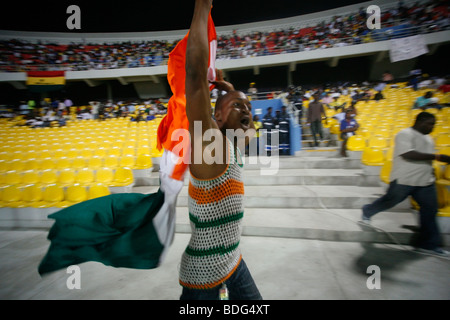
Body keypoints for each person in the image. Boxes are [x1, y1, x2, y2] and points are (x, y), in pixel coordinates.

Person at [180, 0, 261, 300]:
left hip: (232, 259)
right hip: (205, 273)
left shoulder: (235, 144)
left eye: (249, 106)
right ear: (216, 120)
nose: (247, 111)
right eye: (239, 107)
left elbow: (246, 128)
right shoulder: (211, 146)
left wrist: (230, 95)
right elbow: (195, 79)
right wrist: (202, 7)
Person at [361, 111, 450, 256]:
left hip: (425, 181)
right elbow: (408, 154)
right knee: (389, 201)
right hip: (404, 179)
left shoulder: (429, 138)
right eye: (430, 124)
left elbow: (427, 159)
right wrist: (438, 156)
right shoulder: (405, 134)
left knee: (430, 210)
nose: (432, 127)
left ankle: (428, 245)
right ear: (420, 121)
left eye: (433, 124)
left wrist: (432, 171)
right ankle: (368, 210)